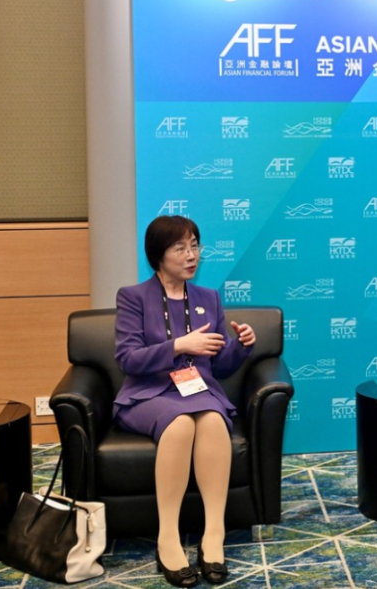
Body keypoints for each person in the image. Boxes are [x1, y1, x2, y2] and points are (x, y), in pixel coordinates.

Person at [114, 216, 256, 586]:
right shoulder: (133, 297)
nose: (191, 255)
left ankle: (214, 534)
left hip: (197, 390)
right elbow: (128, 359)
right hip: (150, 393)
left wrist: (241, 347)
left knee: (213, 421)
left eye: (195, 246)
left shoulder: (209, 298)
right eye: (180, 248)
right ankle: (168, 539)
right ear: (158, 256)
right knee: (178, 425)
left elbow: (219, 367)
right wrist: (178, 345)